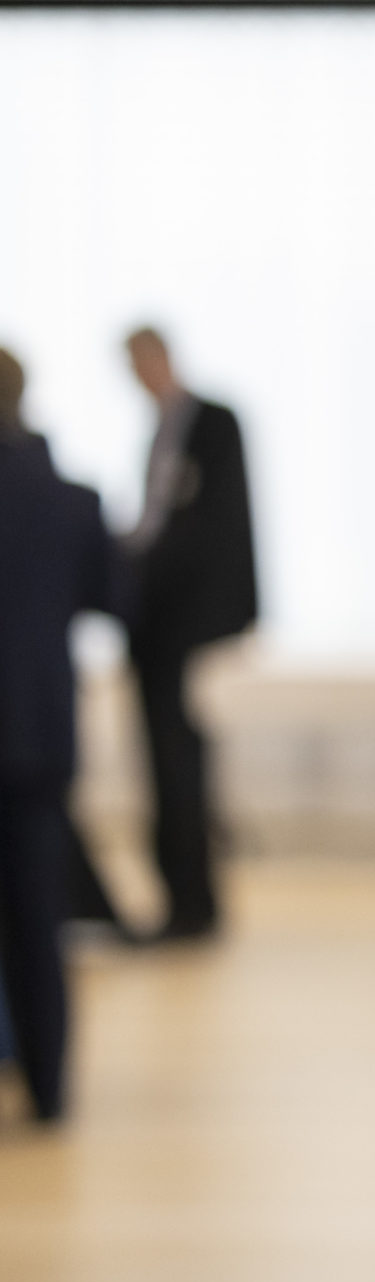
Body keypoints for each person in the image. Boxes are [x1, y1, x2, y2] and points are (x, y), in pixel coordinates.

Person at [0, 346, 127, 1120]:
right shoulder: (71, 499)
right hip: (39, 736)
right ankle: (48, 1088)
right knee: (39, 920)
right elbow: (113, 597)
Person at [122, 325, 256, 942]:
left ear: (163, 358)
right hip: (158, 620)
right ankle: (181, 899)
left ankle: (193, 905)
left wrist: (137, 563)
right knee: (166, 762)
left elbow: (210, 528)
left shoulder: (214, 424)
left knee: (181, 762)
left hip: (191, 622)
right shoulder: (157, 432)